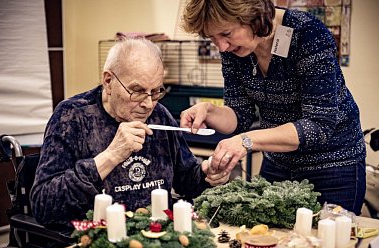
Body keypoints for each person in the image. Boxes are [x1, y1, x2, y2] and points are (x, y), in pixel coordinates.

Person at [180, 0, 366, 215]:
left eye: (226, 34)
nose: (221, 46)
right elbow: (240, 115)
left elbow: (319, 125)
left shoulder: (307, 33)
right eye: (212, 38)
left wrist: (247, 141)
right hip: (278, 162)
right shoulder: (233, 50)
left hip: (333, 167)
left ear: (255, 16)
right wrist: (209, 110)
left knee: (330, 243)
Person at [30, 38, 230, 231]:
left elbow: (187, 179)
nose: (148, 104)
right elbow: (44, 205)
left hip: (158, 237)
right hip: (94, 241)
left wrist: (207, 174)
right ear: (108, 81)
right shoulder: (72, 116)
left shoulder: (159, 115)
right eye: (137, 91)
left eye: (156, 91)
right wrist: (111, 156)